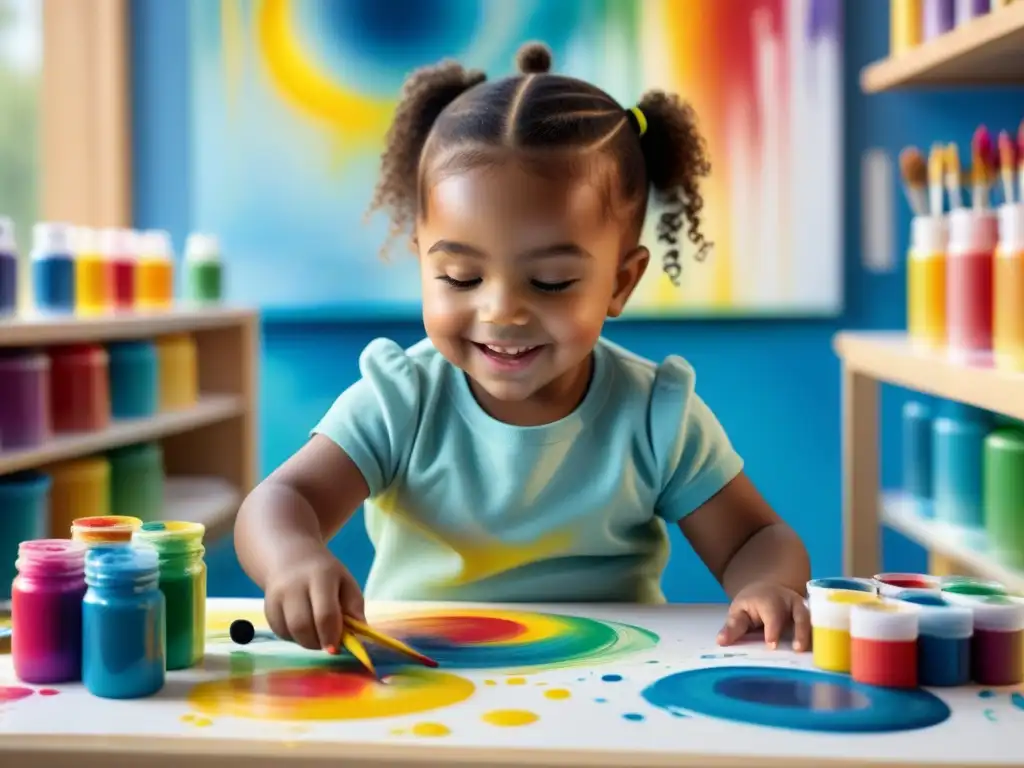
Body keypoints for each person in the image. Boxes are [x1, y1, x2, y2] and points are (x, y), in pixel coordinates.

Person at [235, 42, 811, 656]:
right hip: (426, 676)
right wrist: (292, 558)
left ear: (620, 282)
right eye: (460, 278)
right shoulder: (400, 398)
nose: (502, 311)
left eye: (552, 282)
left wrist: (768, 586)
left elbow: (757, 538)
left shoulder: (654, 415)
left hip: (608, 691)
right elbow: (280, 502)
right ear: (423, 266)